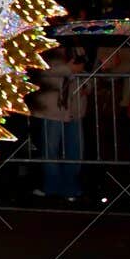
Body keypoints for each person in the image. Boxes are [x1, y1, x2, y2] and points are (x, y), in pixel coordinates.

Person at [28, 47, 86, 200]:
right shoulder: (46, 48)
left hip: (74, 105)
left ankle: (70, 187)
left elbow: (84, 70)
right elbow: (40, 69)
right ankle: (51, 186)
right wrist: (68, 69)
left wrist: (86, 84)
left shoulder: (78, 49)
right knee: (50, 149)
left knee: (74, 148)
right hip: (52, 107)